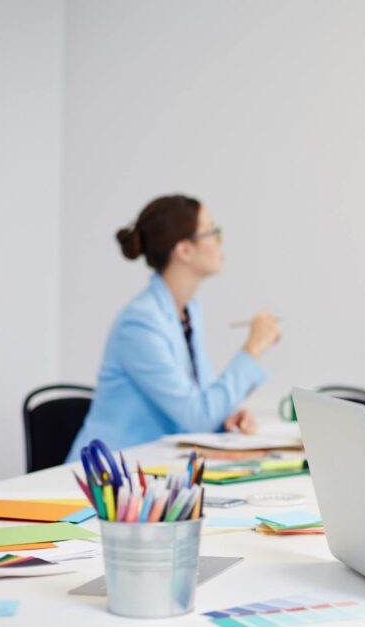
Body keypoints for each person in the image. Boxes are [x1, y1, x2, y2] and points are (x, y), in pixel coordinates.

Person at [66, 195, 280, 460]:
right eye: (212, 231)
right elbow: (197, 416)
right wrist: (253, 348)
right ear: (185, 250)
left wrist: (224, 419)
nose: (219, 241)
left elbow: (198, 404)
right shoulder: (139, 323)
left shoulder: (189, 312)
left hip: (154, 466)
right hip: (108, 472)